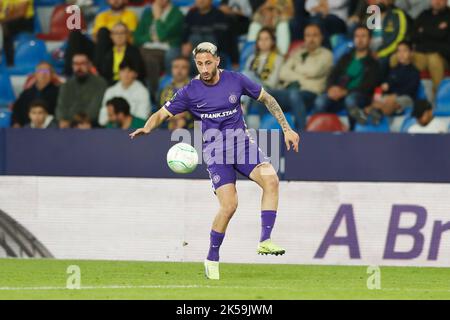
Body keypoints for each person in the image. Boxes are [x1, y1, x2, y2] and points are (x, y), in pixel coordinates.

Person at [129, 42, 300, 280]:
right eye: (199, 64)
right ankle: (212, 257)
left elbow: (268, 99)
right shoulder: (190, 91)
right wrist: (147, 128)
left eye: (208, 63)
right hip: (215, 151)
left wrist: (287, 129)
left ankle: (265, 240)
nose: (204, 68)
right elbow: (162, 113)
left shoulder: (236, 80)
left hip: (241, 145)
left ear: (218, 61)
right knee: (229, 206)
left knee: (271, 180)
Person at [313, 26, 380, 128]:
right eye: (357, 36)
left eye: (363, 36)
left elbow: (368, 85)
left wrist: (346, 92)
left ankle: (353, 133)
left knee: (350, 100)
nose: (360, 39)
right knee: (320, 101)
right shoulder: (346, 57)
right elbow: (333, 75)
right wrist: (331, 88)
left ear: (369, 39)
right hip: (339, 94)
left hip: (359, 96)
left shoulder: (373, 62)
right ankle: (324, 133)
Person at [277, 23, 333, 130]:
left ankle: (301, 133)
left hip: (311, 93)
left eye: (315, 35)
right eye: (308, 35)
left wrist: (294, 71)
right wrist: (301, 77)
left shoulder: (327, 54)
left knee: (294, 95)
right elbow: (282, 73)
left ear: (321, 37)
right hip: (288, 90)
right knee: (264, 94)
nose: (311, 39)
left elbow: (314, 71)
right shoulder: (298, 53)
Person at [134, 0, 184, 95]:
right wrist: (151, 38)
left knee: (149, 59)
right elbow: (137, 38)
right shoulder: (148, 13)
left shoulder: (177, 14)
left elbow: (162, 35)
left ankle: (153, 92)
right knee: (132, 54)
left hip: (164, 49)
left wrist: (157, 17)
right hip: (146, 47)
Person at [365, 41, 420, 124]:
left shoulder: (414, 72)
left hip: (407, 98)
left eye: (404, 51)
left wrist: (395, 95)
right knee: (376, 98)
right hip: (390, 98)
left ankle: (372, 112)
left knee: (390, 101)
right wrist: (383, 88)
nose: (401, 54)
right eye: (399, 51)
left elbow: (410, 89)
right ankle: (372, 113)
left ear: (411, 53)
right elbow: (388, 84)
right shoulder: (393, 70)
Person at [181, 0, 237, 71]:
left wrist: (235, 60)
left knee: (195, 59)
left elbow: (224, 40)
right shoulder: (191, 14)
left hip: (215, 52)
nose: (201, 1)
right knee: (174, 56)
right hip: (192, 50)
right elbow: (184, 34)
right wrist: (184, 45)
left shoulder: (220, 16)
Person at [56, 53, 108, 128]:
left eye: (82, 63)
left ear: (89, 65)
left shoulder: (100, 83)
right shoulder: (66, 85)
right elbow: (61, 108)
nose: (79, 67)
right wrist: (64, 120)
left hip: (93, 125)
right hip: (68, 125)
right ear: (72, 66)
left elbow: (95, 109)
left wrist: (81, 121)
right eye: (76, 64)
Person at [411, 0, 450, 94]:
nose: (437, 2)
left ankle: (439, 96)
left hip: (442, 56)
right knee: (397, 57)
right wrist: (435, 31)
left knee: (433, 59)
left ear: (446, 1)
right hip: (423, 54)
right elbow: (413, 35)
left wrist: (423, 30)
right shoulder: (424, 14)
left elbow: (443, 36)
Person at [99, 59, 151, 126]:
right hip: (112, 129)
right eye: (123, 71)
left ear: (135, 74)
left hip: (134, 129)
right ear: (119, 73)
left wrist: (122, 119)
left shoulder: (143, 92)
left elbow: (142, 118)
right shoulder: (110, 91)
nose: (126, 75)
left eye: (129, 71)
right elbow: (102, 120)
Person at [12, 62, 60, 128]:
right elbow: (16, 110)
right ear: (35, 74)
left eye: (47, 71)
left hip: (51, 130)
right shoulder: (26, 93)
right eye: (41, 70)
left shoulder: (59, 93)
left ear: (52, 74)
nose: (43, 74)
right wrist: (16, 123)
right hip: (27, 131)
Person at [158, 56, 193, 130]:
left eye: (183, 67)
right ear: (171, 69)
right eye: (176, 67)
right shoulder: (165, 90)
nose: (179, 70)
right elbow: (160, 113)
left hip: (191, 130)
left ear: (188, 70)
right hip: (166, 129)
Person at [0, 0, 34, 66]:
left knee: (5, 29)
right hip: (6, 21)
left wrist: (2, 20)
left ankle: (10, 62)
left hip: (25, 21)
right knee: (4, 27)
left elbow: (21, 13)